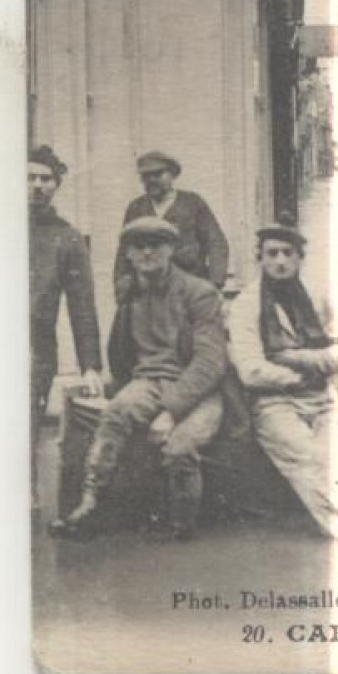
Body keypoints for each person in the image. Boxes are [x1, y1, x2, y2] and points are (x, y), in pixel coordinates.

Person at [52, 217, 227, 540]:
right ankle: (90, 503)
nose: (147, 253)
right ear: (128, 254)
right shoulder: (131, 294)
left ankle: (181, 527)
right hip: (149, 382)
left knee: (180, 448)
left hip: (199, 389)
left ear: (171, 249)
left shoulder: (199, 293)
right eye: (138, 246)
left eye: (156, 245)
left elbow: (210, 362)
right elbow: (124, 354)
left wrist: (170, 411)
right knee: (115, 413)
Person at [227, 224, 338, 546]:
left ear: (300, 258)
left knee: (333, 460)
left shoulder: (316, 297)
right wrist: (303, 371)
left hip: (321, 396)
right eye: (272, 254)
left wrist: (293, 357)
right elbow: (250, 370)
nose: (280, 261)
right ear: (259, 260)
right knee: (309, 459)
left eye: (288, 254)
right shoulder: (245, 306)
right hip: (273, 401)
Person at [28, 145, 103, 431]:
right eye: (30, 177)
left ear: (56, 185)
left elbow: (82, 306)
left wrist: (90, 366)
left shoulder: (67, 238)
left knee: (26, 434)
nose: (37, 186)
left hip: (37, 352)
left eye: (45, 179)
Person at [116, 150, 231, 289]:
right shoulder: (136, 207)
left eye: (158, 174)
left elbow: (216, 242)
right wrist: (121, 285)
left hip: (190, 284)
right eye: (146, 176)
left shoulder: (192, 203)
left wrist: (215, 282)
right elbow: (124, 250)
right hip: (149, 290)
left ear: (172, 174)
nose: (152, 180)